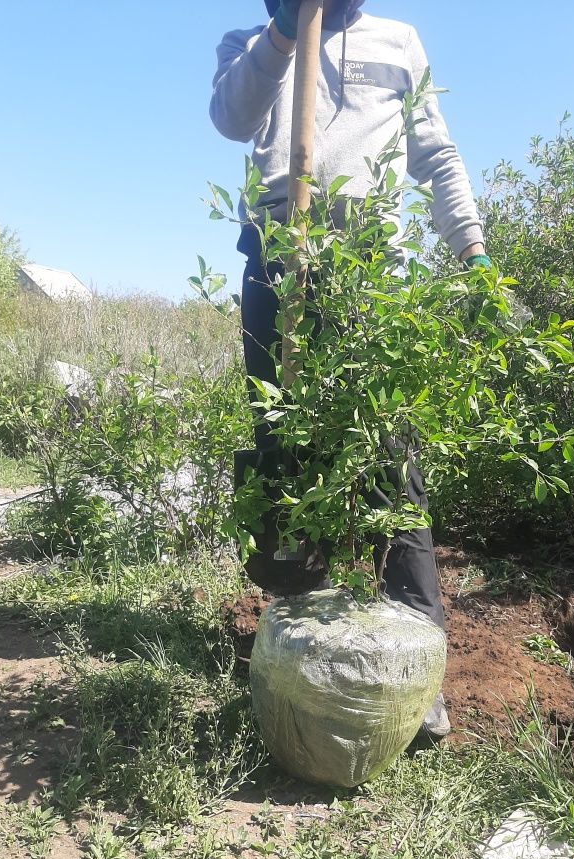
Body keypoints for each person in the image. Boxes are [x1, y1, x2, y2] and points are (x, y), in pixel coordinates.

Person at [210, 0, 490, 739]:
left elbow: (435, 153)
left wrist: (472, 250)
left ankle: (419, 665)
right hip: (276, 255)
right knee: (282, 444)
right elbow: (232, 119)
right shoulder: (249, 40)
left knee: (387, 457)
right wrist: (280, 32)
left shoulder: (398, 42)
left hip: (369, 268)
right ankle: (303, 649)